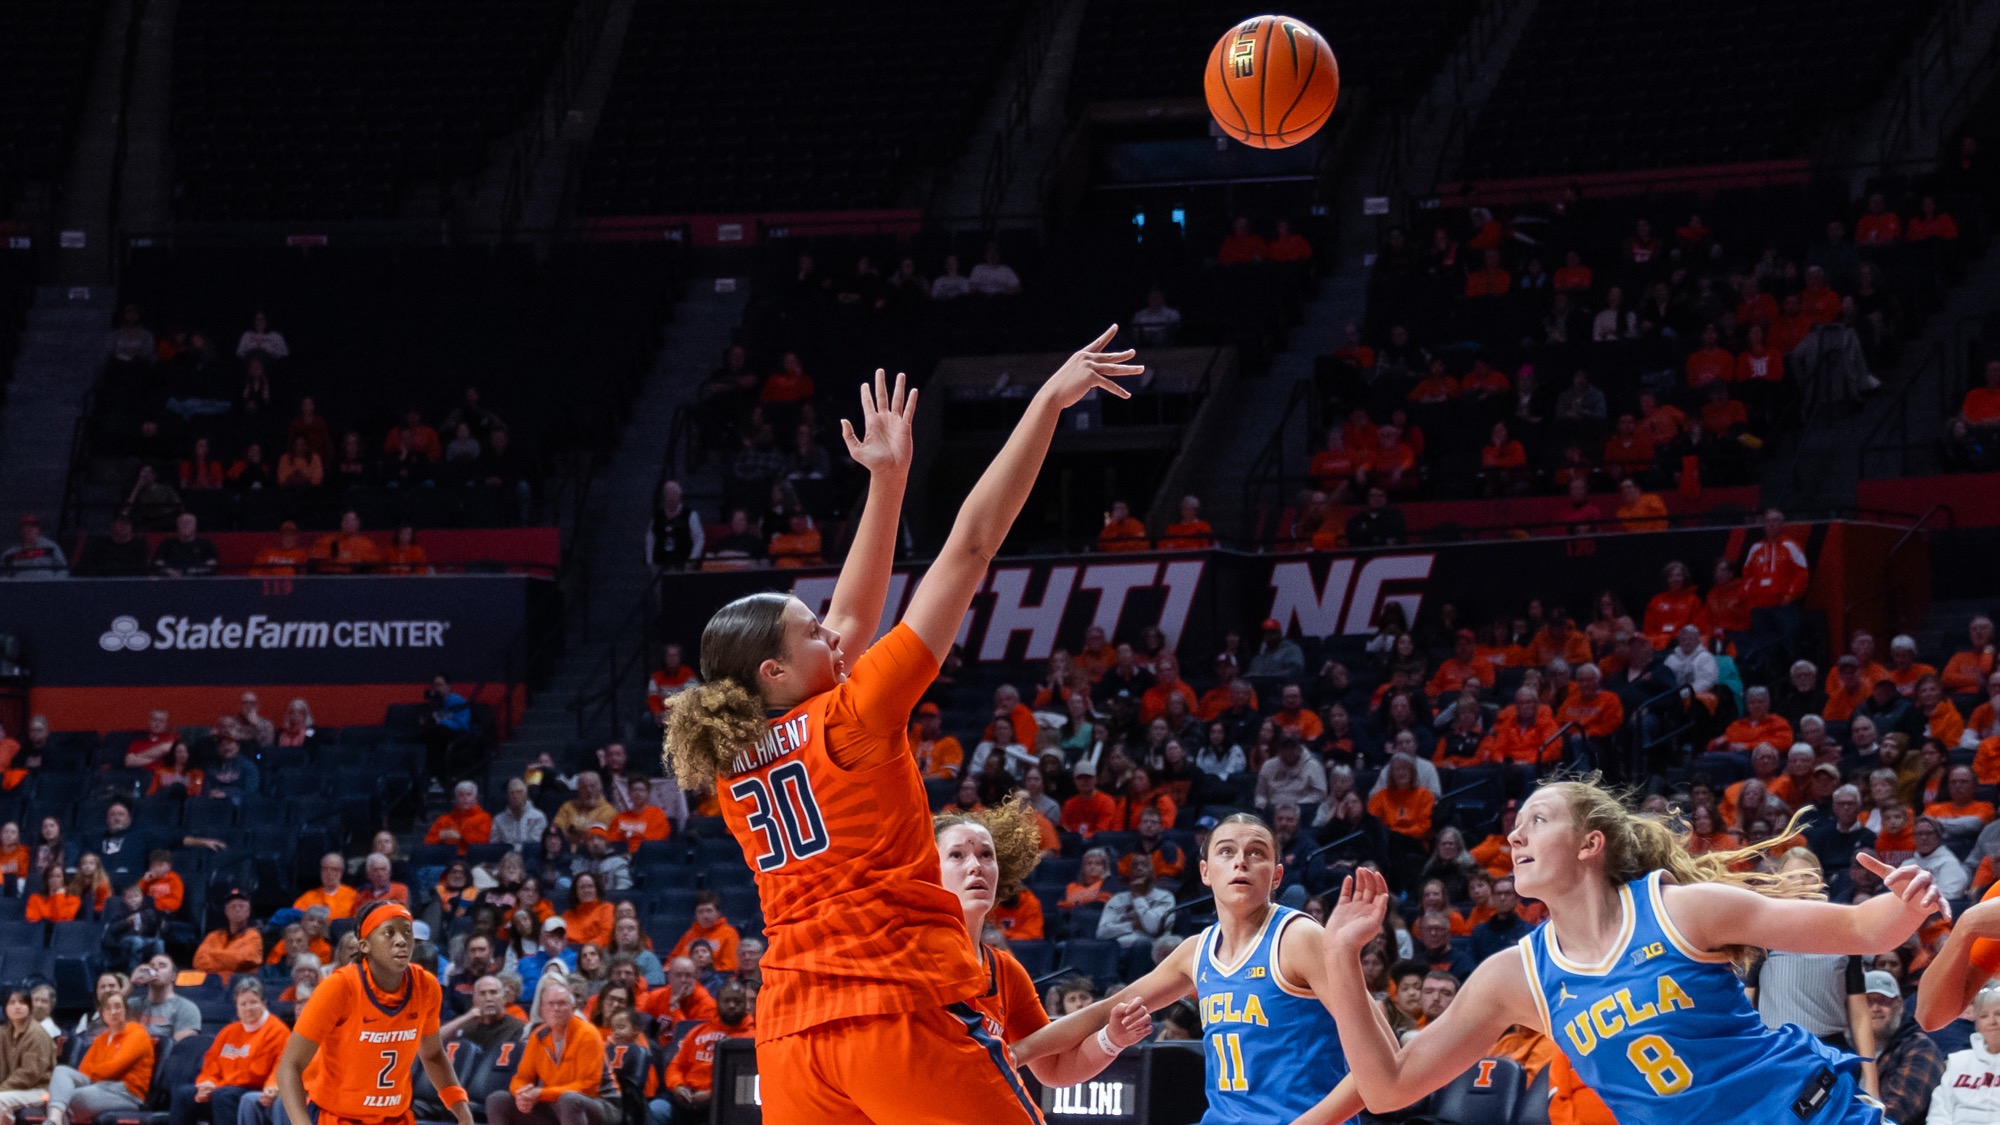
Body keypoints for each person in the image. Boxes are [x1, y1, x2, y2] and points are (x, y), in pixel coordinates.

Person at [662, 346, 1141, 1125]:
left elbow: (848, 620)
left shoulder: (732, 756)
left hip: (791, 1040)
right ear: (776, 672)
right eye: (812, 633)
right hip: (896, 1009)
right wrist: (1046, 403)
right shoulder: (853, 714)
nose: (837, 636)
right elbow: (972, 544)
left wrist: (886, 481)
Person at [1320, 780, 1946, 1125]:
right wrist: (1341, 960)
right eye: (1516, 824)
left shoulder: (1678, 911)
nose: (1514, 833)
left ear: (1591, 843)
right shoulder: (1516, 976)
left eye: (1538, 819)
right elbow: (1389, 1088)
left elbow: (1865, 930)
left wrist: (1909, 902)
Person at [1048, 814, 1360, 1123]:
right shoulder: (1197, 951)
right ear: (1205, 871)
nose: (1241, 862)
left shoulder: (1299, 938)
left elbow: (1378, 1065)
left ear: (1277, 876)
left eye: (1257, 852)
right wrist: (1019, 1052)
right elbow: (1104, 1012)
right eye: (1227, 851)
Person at [930, 798, 1151, 1095]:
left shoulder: (1005, 972)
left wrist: (1112, 1039)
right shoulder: (904, 955)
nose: (976, 867)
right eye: (957, 855)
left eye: (986, 855)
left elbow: (1055, 1069)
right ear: (928, 870)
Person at [274, 902, 473, 1125]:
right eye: (389, 932)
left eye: (407, 932)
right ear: (365, 945)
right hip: (339, 1118)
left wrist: (461, 1110)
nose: (401, 940)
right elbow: (289, 1067)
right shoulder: (339, 987)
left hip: (396, 1118)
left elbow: (433, 1055)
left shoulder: (426, 986)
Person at [485, 977, 618, 1125]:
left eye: (562, 1004)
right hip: (556, 1102)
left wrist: (540, 1094)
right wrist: (521, 1094)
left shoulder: (588, 1034)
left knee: (570, 1099)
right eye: (551, 1004)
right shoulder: (538, 1036)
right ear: (542, 1009)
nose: (556, 1008)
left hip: (601, 1103)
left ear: (573, 1009)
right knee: (497, 1100)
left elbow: (587, 1087)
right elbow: (521, 1078)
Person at [168, 979, 288, 1125]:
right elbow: (211, 1064)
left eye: (253, 1002)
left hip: (254, 1090)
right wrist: (206, 1084)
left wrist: (272, 1087)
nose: (248, 1008)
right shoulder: (228, 1032)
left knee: (222, 1096)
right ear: (236, 1007)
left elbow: (281, 1067)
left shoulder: (278, 1031)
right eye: (243, 1004)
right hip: (222, 1088)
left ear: (263, 1003)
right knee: (184, 1094)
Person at [42, 991, 150, 1125]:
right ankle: (54, 1119)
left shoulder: (137, 1034)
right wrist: (100, 1070)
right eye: (108, 1008)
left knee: (70, 1096)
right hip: (99, 1085)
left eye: (118, 1007)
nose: (113, 1011)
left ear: (126, 1010)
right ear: (102, 1013)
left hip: (126, 1093)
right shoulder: (102, 1038)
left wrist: (96, 1070)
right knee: (61, 1071)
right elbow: (84, 1068)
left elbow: (114, 1069)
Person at [659, 980, 756, 1125]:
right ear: (717, 1003)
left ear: (745, 1004)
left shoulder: (752, 1038)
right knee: (657, 1109)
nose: (731, 1005)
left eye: (737, 1001)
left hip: (724, 1102)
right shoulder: (697, 1032)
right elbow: (676, 1066)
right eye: (727, 1000)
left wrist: (713, 1094)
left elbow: (747, 1085)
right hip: (686, 1096)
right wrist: (678, 1086)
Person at [1861, 970, 1941, 1125]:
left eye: (1883, 1001)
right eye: (1868, 1001)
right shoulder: (1847, 1049)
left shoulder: (1920, 1048)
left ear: (1899, 1005)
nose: (1875, 1007)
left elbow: (1898, 1112)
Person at [1930, 988, 2000, 1123]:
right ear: (1977, 1025)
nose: (1992, 1021)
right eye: (1984, 1016)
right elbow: (1940, 1111)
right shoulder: (1958, 1061)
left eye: (1999, 1014)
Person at [0, 987, 54, 1124]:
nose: (17, 1006)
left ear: (29, 1007)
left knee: (0, 1100)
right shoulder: (4, 1033)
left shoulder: (36, 1034)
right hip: (14, 1088)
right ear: (5, 1007)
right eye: (12, 1002)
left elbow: (29, 1074)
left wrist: (2, 1088)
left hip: (39, 1090)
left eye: (22, 1002)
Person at [192, 888, 263, 974]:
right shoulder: (213, 936)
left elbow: (243, 960)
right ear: (226, 911)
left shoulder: (253, 936)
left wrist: (213, 955)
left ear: (248, 911)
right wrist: (231, 959)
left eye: (241, 906)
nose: (237, 910)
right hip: (213, 985)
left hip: (239, 985)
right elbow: (198, 961)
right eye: (233, 906)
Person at [426, 783, 493, 856]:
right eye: (461, 795)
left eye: (468, 795)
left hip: (473, 858)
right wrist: (440, 836)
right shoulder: (444, 819)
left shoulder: (484, 818)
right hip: (447, 859)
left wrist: (460, 835)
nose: (465, 798)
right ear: (455, 799)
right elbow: (427, 842)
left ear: (476, 799)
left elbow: (485, 841)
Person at [153, 512, 219, 578]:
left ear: (195, 526)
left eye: (189, 523)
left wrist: (196, 571)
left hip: (199, 582)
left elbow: (212, 562)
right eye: (182, 523)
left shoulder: (205, 544)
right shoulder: (166, 543)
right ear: (177, 526)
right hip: (170, 581)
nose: (185, 525)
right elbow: (158, 562)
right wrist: (170, 571)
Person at [1, 514, 67, 579]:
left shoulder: (52, 547)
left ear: (38, 529)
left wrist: (54, 584)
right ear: (20, 531)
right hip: (21, 588)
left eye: (33, 526)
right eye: (26, 527)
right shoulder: (9, 554)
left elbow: (63, 569)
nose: (30, 530)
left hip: (47, 586)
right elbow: (4, 576)